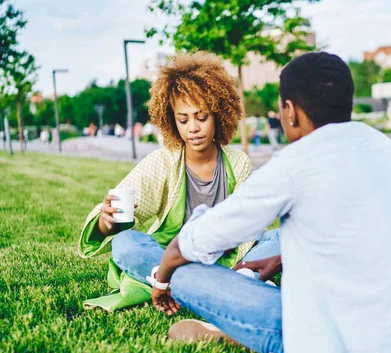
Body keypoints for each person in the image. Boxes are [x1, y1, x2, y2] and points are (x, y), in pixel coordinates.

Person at [150, 52, 391, 353]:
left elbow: (201, 237)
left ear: (290, 111)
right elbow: (366, 236)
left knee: (186, 272)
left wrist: (163, 277)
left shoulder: (296, 163)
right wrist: (283, 258)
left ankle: (239, 333)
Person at [77, 52, 281, 311]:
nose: (193, 128)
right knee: (125, 244)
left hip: (224, 259)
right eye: (183, 119)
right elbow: (121, 212)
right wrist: (107, 223)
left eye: (201, 117)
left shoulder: (239, 163)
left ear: (219, 114)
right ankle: (225, 286)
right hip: (169, 260)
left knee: (280, 237)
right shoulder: (162, 162)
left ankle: (189, 286)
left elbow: (245, 228)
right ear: (171, 120)